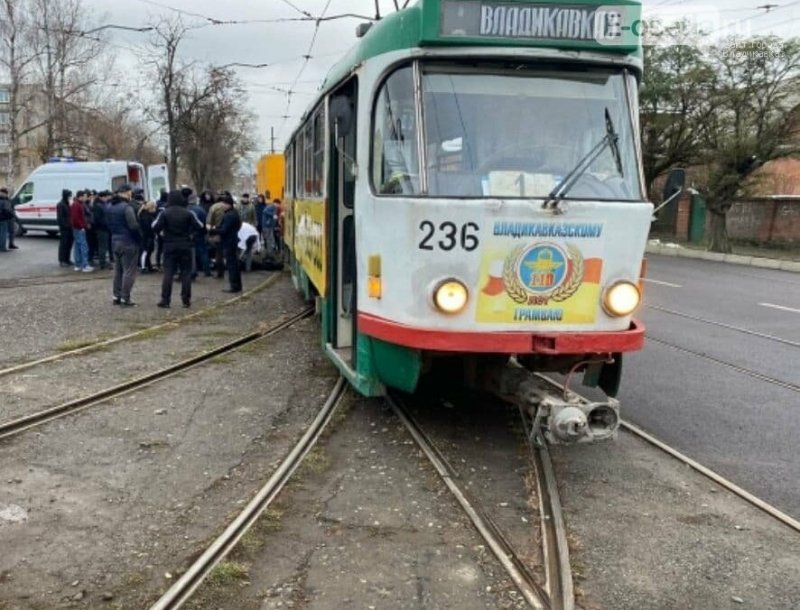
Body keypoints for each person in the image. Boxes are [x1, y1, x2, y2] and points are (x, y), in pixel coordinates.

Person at [152, 189, 203, 308]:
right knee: (186, 273)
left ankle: (165, 299)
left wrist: (162, 234)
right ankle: (186, 300)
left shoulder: (164, 213)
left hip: (169, 245)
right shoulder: (188, 213)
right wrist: (191, 234)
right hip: (185, 244)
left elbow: (155, 227)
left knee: (168, 273)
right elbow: (200, 226)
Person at [108, 184, 142, 306]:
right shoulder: (127, 208)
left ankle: (116, 296)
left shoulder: (111, 207)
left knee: (118, 271)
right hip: (128, 242)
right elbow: (133, 226)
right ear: (127, 193)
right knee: (129, 271)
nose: (131, 194)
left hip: (114, 241)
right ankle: (125, 298)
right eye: (130, 192)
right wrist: (140, 238)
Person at [209, 193, 242, 293]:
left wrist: (213, 230)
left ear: (229, 204)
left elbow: (224, 230)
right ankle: (237, 285)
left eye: (224, 203)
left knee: (231, 264)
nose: (222, 205)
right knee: (234, 264)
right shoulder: (234, 213)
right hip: (232, 240)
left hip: (229, 241)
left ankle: (234, 286)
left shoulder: (229, 215)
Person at [70, 190, 94, 272]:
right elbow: (75, 218)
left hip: (77, 228)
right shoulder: (77, 205)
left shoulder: (77, 204)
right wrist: (82, 226)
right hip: (79, 228)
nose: (85, 198)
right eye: (84, 196)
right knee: (83, 246)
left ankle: (78, 264)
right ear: (80, 196)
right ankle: (84, 265)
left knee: (78, 246)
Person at [189, 194, 210, 278]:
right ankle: (206, 270)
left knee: (192, 253)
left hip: (190, 234)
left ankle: (194, 270)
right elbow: (205, 222)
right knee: (203, 252)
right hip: (200, 233)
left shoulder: (186, 209)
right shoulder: (201, 210)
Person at [206, 194, 228, 278]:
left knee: (218, 253)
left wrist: (210, 230)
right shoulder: (231, 207)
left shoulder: (214, 207)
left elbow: (209, 221)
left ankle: (220, 272)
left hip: (217, 232)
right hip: (228, 233)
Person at [92, 191, 111, 269]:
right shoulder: (98, 206)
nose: (107, 199)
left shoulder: (102, 205)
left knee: (104, 246)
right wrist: (105, 224)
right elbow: (98, 219)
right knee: (102, 246)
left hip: (105, 228)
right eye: (105, 197)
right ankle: (102, 263)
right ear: (102, 197)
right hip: (102, 229)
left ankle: (103, 262)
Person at [138, 201, 158, 273]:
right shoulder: (147, 216)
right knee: (146, 251)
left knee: (147, 252)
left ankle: (147, 266)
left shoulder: (143, 214)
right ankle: (144, 267)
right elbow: (148, 227)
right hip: (147, 236)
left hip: (146, 236)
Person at [56, 189, 74, 267]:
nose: (70, 197)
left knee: (69, 244)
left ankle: (67, 259)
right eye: (69, 195)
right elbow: (60, 218)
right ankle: (62, 260)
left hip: (70, 227)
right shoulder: (60, 204)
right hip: (64, 228)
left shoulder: (67, 204)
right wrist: (65, 226)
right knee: (64, 244)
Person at [0, 187, 12, 252]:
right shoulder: (5, 199)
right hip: (3, 218)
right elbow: (7, 209)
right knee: (3, 233)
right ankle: (2, 247)